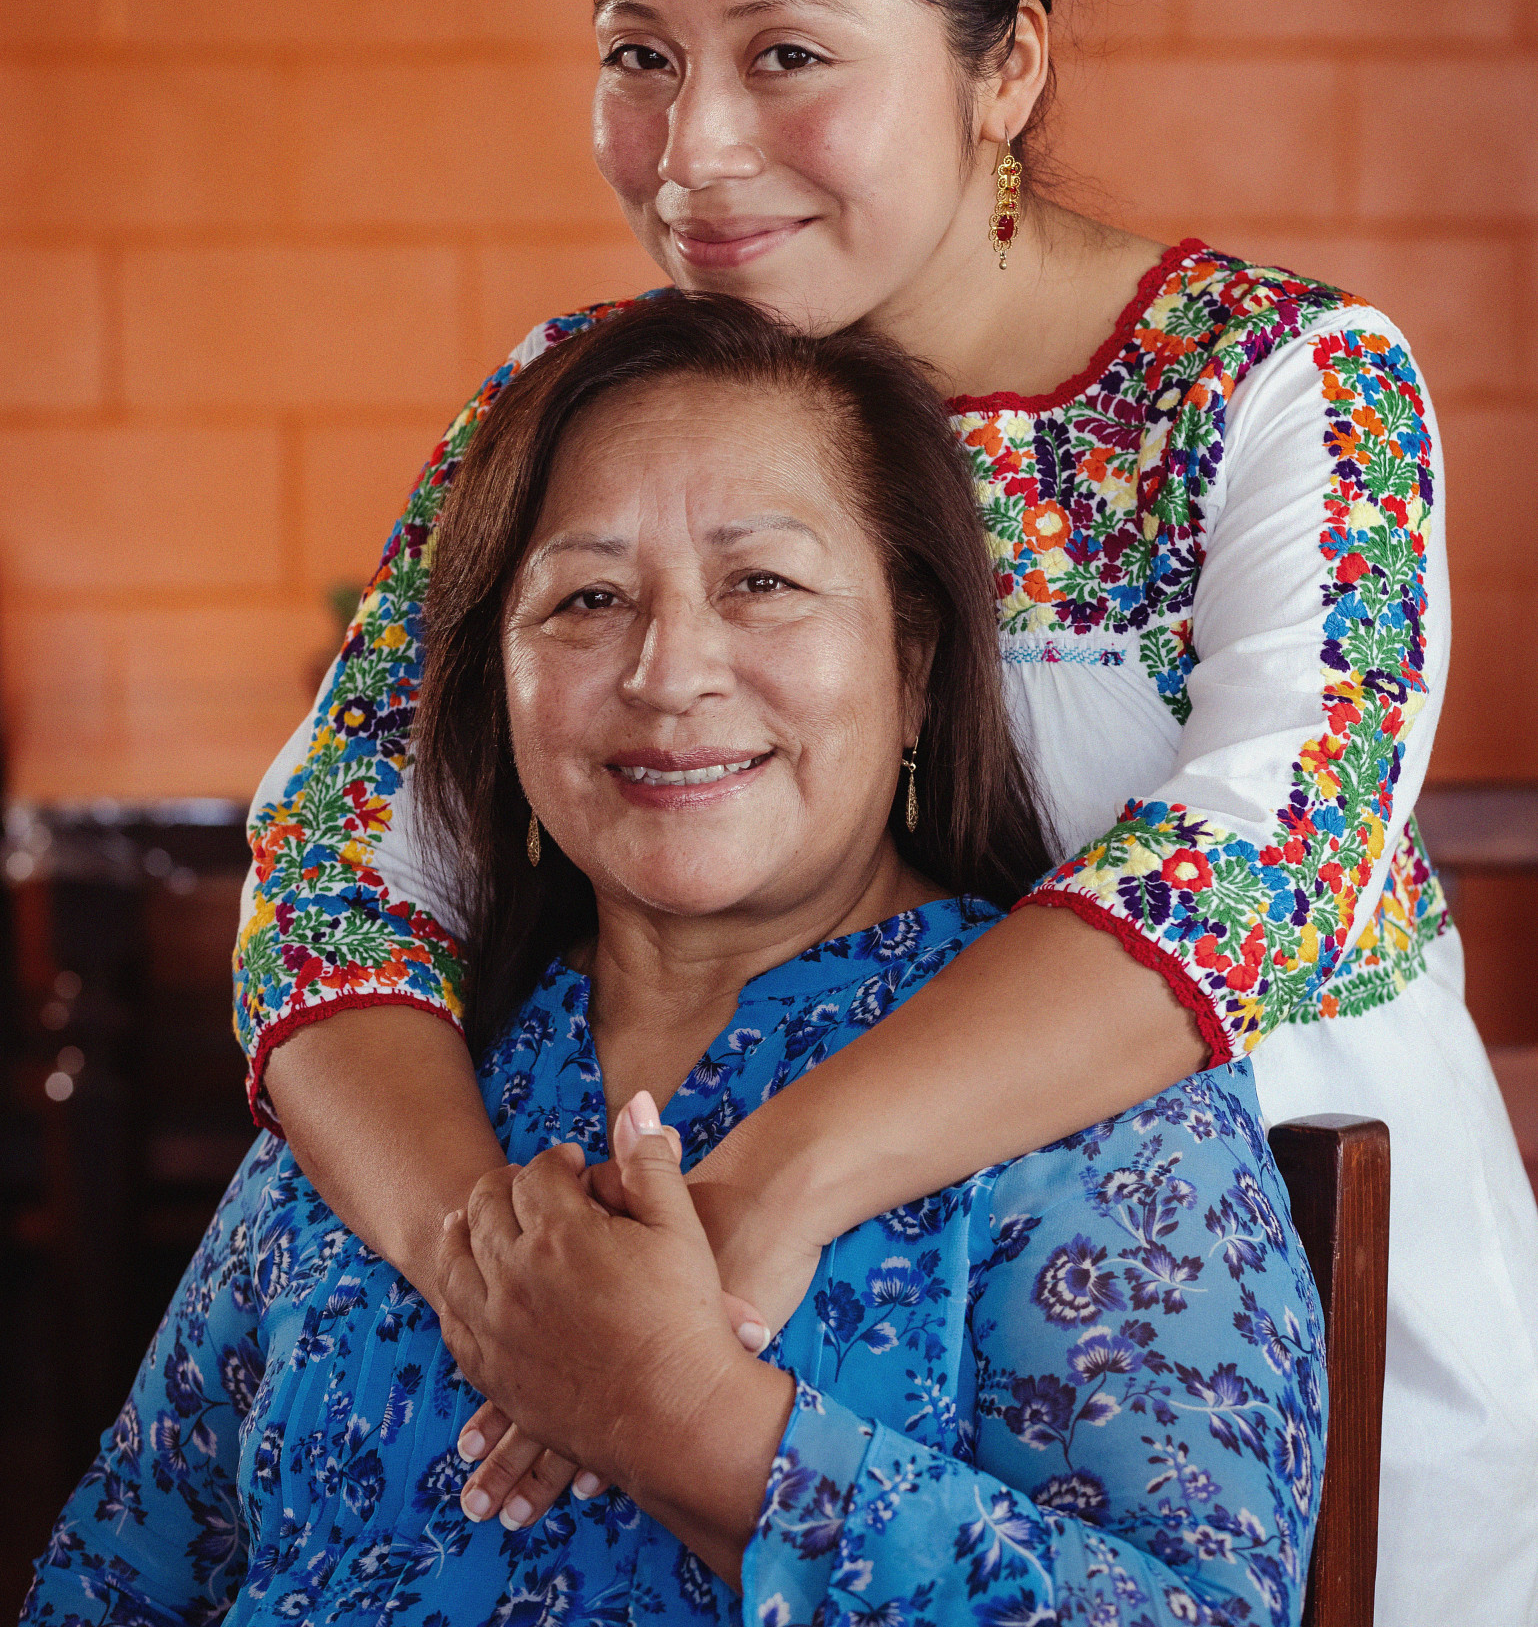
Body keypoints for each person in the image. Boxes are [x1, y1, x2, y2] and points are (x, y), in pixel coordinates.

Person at [234, 0, 1537, 1623]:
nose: (694, 149)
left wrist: (760, 1201)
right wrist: (506, 1287)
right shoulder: (572, 397)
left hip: (1225, 1367)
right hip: (685, 1383)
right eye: (636, 56)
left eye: (785, 55)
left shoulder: (1277, 387)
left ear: (1004, 65)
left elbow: (1259, 869)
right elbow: (329, 872)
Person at [26, 298, 1327, 1626]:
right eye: (587, 599)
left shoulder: (1082, 1092)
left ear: (916, 662)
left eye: (761, 583)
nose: (668, 672)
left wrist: (684, 1413)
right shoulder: (395, 1082)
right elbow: (113, 1579)